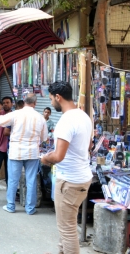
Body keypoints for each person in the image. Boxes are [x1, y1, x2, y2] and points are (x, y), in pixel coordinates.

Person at [41, 81, 92, 254]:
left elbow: (58, 156)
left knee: (67, 230)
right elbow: (88, 146)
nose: (51, 103)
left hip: (69, 182)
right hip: (81, 177)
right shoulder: (83, 116)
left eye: (51, 99)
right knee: (66, 227)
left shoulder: (66, 121)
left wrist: (44, 158)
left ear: (58, 97)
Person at [0, 93, 48, 215]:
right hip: (32, 153)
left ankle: (11, 206)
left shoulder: (15, 114)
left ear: (24, 102)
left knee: (13, 180)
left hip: (16, 152)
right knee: (31, 180)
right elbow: (44, 137)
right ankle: (30, 208)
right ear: (35, 103)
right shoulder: (40, 118)